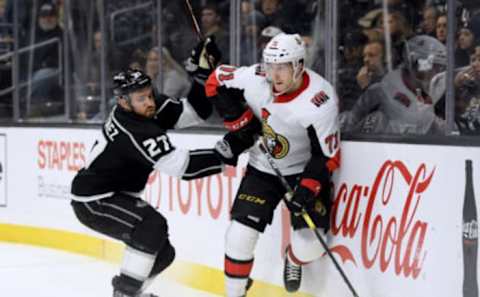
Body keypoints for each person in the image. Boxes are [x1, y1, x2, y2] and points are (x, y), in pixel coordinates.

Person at [70, 41, 234, 297]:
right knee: (151, 226)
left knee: (163, 254)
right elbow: (185, 168)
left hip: (114, 195)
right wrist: (230, 150)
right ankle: (123, 294)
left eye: (149, 94)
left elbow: (193, 113)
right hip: (93, 201)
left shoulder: (145, 109)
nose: (149, 102)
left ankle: (132, 293)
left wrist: (201, 77)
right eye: (141, 98)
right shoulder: (135, 130)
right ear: (123, 102)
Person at [205, 33, 341, 296]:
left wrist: (306, 190)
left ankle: (293, 258)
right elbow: (214, 81)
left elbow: (327, 156)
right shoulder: (256, 77)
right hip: (263, 168)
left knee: (310, 246)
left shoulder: (319, 101)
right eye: (269, 66)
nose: (273, 75)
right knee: (238, 237)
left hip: (302, 173)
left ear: (299, 66)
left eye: (282, 67)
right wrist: (240, 119)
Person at [341, 35, 447, 134]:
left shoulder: (424, 91)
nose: (366, 60)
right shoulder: (377, 90)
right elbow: (351, 124)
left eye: (372, 55)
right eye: (434, 66)